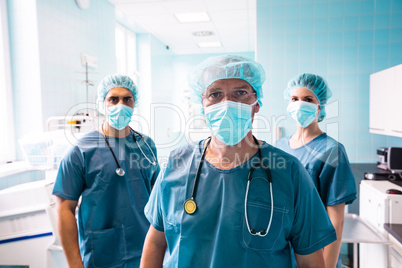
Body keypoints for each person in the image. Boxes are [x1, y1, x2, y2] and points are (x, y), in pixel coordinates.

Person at [140, 55, 337, 268]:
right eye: (215, 94)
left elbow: (309, 260)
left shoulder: (289, 171)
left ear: (257, 104)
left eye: (240, 93)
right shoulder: (176, 164)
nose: (227, 103)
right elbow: (156, 241)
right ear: (202, 106)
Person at [53, 74, 160, 268]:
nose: (121, 104)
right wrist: (75, 264)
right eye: (113, 99)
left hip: (146, 248)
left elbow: (157, 197)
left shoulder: (146, 146)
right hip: (102, 252)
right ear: (102, 104)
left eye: (127, 99)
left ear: (134, 103)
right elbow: (64, 209)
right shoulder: (81, 150)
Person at [276, 73, 357, 268]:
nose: (300, 104)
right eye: (295, 99)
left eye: (308, 99)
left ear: (319, 106)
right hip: (282, 248)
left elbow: (336, 222)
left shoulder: (331, 150)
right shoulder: (279, 147)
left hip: (316, 251)